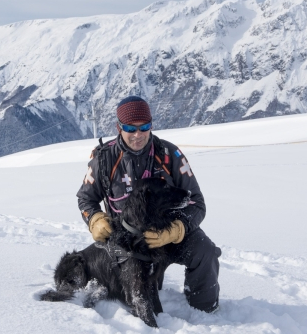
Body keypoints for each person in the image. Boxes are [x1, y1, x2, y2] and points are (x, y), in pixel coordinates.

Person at [77, 96, 220, 313]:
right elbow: (85, 199)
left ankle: (205, 312)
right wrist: (94, 219)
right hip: (128, 241)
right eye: (130, 128)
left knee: (205, 251)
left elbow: (197, 202)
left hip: (168, 235)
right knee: (145, 293)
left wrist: (177, 230)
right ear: (118, 127)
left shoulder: (170, 155)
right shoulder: (103, 160)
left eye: (144, 127)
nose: (138, 134)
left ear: (151, 124)